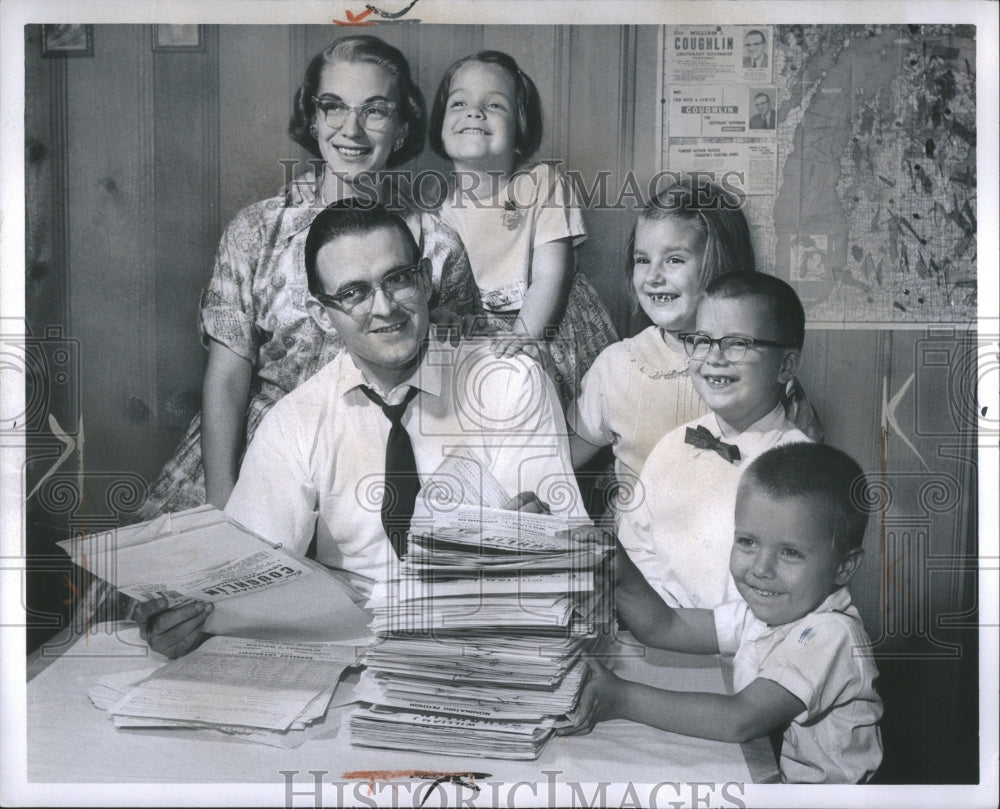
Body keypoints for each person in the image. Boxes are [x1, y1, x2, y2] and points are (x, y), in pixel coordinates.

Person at [134, 201, 584, 658]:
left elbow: (560, 562)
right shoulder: (296, 420)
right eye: (353, 293)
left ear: (425, 279)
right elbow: (245, 576)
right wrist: (190, 620)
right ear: (319, 312)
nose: (385, 308)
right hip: (348, 655)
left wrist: (535, 545)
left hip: (484, 647)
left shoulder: (510, 384)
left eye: (398, 279)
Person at [134, 35, 479, 522]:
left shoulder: (438, 245)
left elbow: (452, 376)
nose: (352, 130)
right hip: (254, 450)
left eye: (376, 110)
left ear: (402, 127)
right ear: (312, 118)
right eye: (333, 106)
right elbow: (228, 379)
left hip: (379, 460)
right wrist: (223, 502)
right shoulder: (257, 231)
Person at [562, 442, 884, 785]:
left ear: (844, 568)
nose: (761, 568)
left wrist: (622, 698)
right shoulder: (769, 614)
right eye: (747, 542)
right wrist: (621, 573)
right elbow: (666, 626)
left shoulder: (830, 635)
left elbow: (740, 719)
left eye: (790, 553)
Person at [429, 50, 619, 407]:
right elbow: (456, 292)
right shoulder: (443, 214)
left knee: (578, 413)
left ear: (520, 130)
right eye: (459, 103)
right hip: (491, 331)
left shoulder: (541, 183)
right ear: (441, 128)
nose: (475, 111)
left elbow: (551, 277)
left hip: (549, 323)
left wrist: (525, 339)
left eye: (496, 105)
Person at [618, 272, 813, 608]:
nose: (714, 357)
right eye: (703, 340)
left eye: (737, 343)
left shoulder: (803, 468)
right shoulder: (672, 447)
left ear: (785, 366)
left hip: (758, 647)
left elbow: (795, 586)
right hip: (665, 638)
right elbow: (636, 545)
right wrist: (666, 617)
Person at [570, 179, 756, 511]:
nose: (653, 276)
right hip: (636, 554)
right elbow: (563, 458)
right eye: (642, 260)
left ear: (721, 263)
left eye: (673, 260)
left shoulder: (758, 364)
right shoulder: (617, 365)